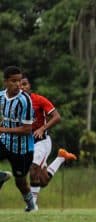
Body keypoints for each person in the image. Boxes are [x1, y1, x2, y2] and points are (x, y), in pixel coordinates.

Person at [20, 75, 77, 209]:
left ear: (29, 86)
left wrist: (42, 128)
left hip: (42, 142)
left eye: (24, 84)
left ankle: (33, 205)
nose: (21, 87)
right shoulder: (16, 104)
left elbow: (57, 117)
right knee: (43, 181)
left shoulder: (39, 100)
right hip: (27, 143)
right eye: (19, 85)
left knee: (33, 167)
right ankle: (61, 158)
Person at [0, 66, 36, 212]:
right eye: (13, 81)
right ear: (6, 82)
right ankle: (1, 176)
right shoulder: (1, 96)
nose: (17, 84)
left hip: (22, 149)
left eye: (19, 81)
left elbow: (27, 129)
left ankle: (31, 206)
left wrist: (3, 129)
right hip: (4, 141)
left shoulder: (24, 100)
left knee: (20, 182)